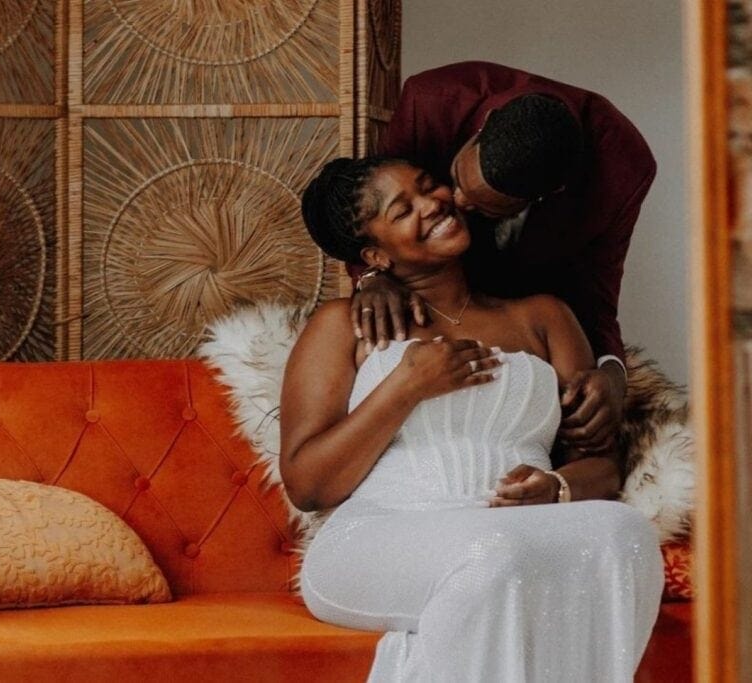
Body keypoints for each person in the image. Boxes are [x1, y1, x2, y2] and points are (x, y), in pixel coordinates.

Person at [283, 156, 662, 682]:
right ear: (375, 254)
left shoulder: (544, 317)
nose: (432, 203)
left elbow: (601, 465)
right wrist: (404, 387)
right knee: (494, 555)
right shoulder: (341, 326)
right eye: (403, 209)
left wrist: (555, 488)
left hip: (517, 532)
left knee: (624, 532)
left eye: (428, 185)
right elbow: (308, 484)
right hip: (381, 537)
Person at [351, 61, 657, 457]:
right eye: (457, 180)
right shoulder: (432, 100)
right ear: (485, 124)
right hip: (423, 314)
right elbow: (368, 213)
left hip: (527, 340)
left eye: (484, 207)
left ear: (549, 193)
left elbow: (596, 292)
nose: (454, 205)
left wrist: (614, 374)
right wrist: (372, 276)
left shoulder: (623, 169)